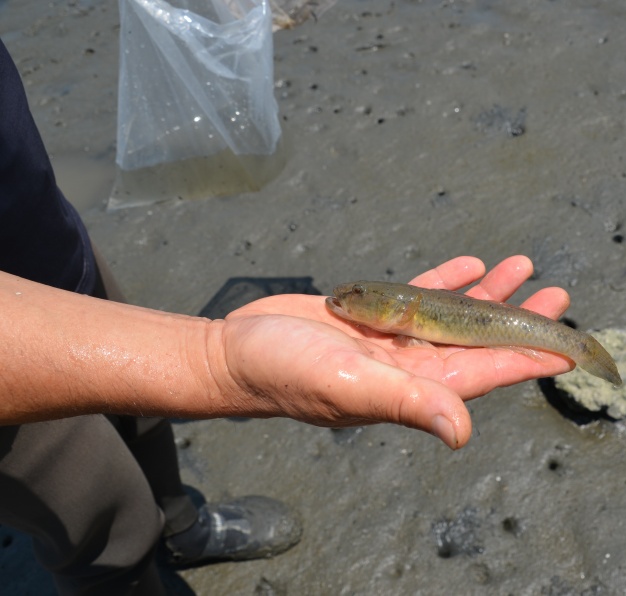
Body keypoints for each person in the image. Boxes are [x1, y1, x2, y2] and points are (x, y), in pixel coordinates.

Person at [0, 38, 574, 595]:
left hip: (47, 240)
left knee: (144, 421)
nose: (344, 299)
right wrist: (213, 360)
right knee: (104, 518)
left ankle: (180, 525)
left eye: (357, 297)